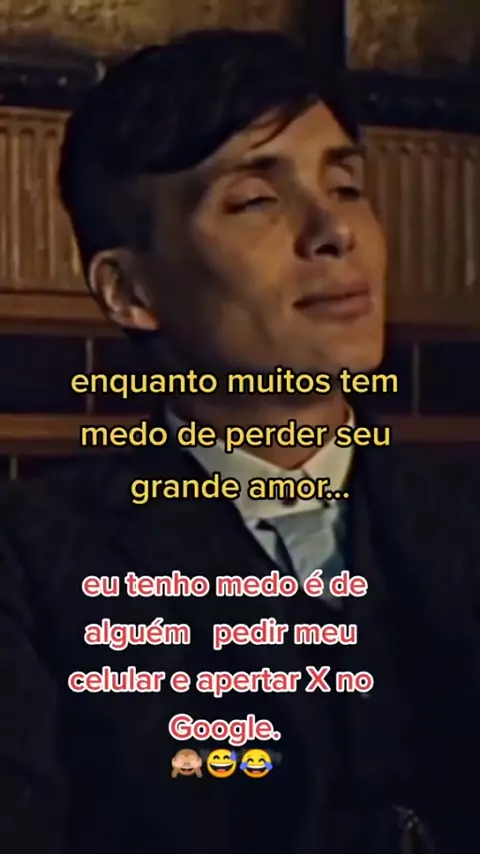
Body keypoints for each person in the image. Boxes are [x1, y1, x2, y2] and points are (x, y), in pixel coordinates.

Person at [0, 28, 479, 854]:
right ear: (130, 290)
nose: (334, 232)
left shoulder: (459, 513)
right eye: (256, 200)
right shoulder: (33, 564)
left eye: (347, 186)